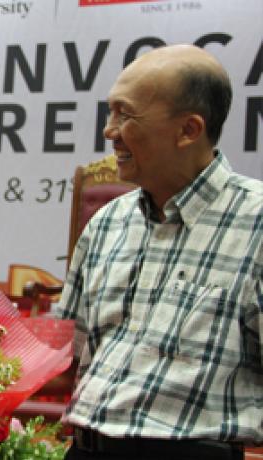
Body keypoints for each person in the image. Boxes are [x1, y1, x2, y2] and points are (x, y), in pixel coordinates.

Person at [54, 44, 263, 460]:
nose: (109, 131)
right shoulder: (107, 223)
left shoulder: (256, 221)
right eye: (109, 112)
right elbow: (65, 354)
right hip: (86, 447)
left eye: (124, 114)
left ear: (188, 130)